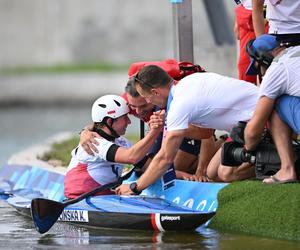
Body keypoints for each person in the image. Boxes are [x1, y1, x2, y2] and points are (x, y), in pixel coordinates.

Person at [115, 65, 259, 195]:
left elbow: (165, 158)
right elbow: (205, 133)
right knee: (213, 172)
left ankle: (271, 167)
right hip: (244, 125)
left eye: (146, 98)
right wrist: (166, 124)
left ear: (155, 92)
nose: (147, 102)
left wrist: (135, 187)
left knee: (226, 173)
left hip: (262, 119)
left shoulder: (179, 104)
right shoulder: (185, 84)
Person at [80, 79, 211, 181]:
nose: (138, 112)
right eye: (133, 107)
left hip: (182, 128)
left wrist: (201, 171)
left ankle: (202, 162)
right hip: (160, 128)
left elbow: (208, 134)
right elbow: (101, 120)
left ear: (153, 95)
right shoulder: (125, 103)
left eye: (144, 105)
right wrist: (85, 133)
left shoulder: (174, 103)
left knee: (174, 165)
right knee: (156, 165)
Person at [64, 94, 164, 198]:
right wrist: (155, 131)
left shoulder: (121, 142)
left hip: (106, 199)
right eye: (125, 117)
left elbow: (151, 166)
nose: (129, 122)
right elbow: (131, 157)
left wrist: (180, 176)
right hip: (81, 199)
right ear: (110, 121)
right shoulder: (94, 142)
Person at [244, 34, 300, 184]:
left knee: (274, 104)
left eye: (259, 67)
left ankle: (287, 169)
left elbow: (254, 129)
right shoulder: (296, 50)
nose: (261, 73)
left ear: (264, 59)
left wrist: (247, 146)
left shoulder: (277, 68)